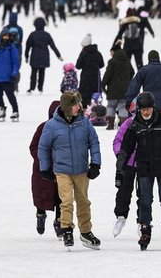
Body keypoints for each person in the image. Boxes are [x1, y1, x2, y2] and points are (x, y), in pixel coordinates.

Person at [115, 91, 161, 251]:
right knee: (146, 200)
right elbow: (125, 150)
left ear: (153, 107)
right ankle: (145, 230)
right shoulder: (134, 126)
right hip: (144, 167)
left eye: (148, 108)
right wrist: (120, 172)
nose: (146, 112)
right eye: (143, 109)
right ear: (138, 109)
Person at [37, 90, 102, 250]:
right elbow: (43, 147)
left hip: (81, 170)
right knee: (66, 201)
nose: (79, 107)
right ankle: (66, 229)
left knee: (83, 202)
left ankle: (86, 232)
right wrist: (45, 168)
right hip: (62, 171)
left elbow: (94, 142)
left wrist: (95, 164)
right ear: (67, 107)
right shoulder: (51, 125)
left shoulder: (84, 122)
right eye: (75, 105)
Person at [29, 100, 63, 237]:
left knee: (61, 197)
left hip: (61, 168)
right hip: (42, 170)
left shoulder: (67, 127)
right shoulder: (43, 127)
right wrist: (43, 161)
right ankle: (40, 214)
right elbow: (33, 147)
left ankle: (60, 221)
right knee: (41, 195)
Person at [126, 50, 161, 114]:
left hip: (147, 105)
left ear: (149, 59)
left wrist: (129, 102)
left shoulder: (143, 70)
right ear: (158, 58)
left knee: (148, 123)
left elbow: (134, 87)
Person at [24, 17, 63, 95]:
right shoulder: (47, 35)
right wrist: (58, 55)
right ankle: (40, 88)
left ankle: (32, 88)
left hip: (34, 56)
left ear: (35, 25)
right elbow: (53, 46)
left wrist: (26, 56)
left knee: (33, 73)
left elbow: (28, 45)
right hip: (44, 56)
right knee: (42, 72)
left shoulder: (32, 34)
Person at [102, 48, 135, 129]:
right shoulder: (127, 61)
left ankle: (110, 124)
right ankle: (123, 124)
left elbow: (108, 74)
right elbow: (132, 72)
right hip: (124, 90)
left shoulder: (112, 62)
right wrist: (127, 81)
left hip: (112, 89)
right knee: (123, 106)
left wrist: (103, 84)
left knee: (111, 106)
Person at [75, 34, 104, 104]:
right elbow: (102, 64)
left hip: (85, 78)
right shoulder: (98, 53)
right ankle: (95, 110)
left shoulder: (83, 53)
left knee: (84, 96)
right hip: (95, 78)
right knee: (94, 96)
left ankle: (85, 110)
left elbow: (78, 66)